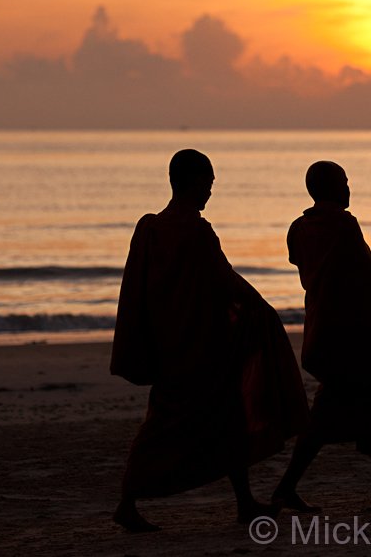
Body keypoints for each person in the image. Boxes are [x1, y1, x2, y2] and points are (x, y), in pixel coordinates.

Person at [110, 149, 309, 532]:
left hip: (170, 340)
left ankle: (245, 502)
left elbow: (142, 288)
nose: (210, 193)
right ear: (195, 182)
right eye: (209, 184)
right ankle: (127, 501)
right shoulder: (195, 230)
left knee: (219, 417)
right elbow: (224, 280)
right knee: (169, 425)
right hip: (198, 345)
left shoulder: (150, 228)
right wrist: (262, 308)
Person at [272, 160, 371, 511]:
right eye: (344, 181)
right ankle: (285, 487)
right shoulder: (343, 224)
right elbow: (369, 277)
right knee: (326, 416)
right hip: (346, 338)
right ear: (332, 188)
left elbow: (309, 269)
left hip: (319, 332)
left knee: (365, 403)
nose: (349, 187)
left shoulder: (298, 228)